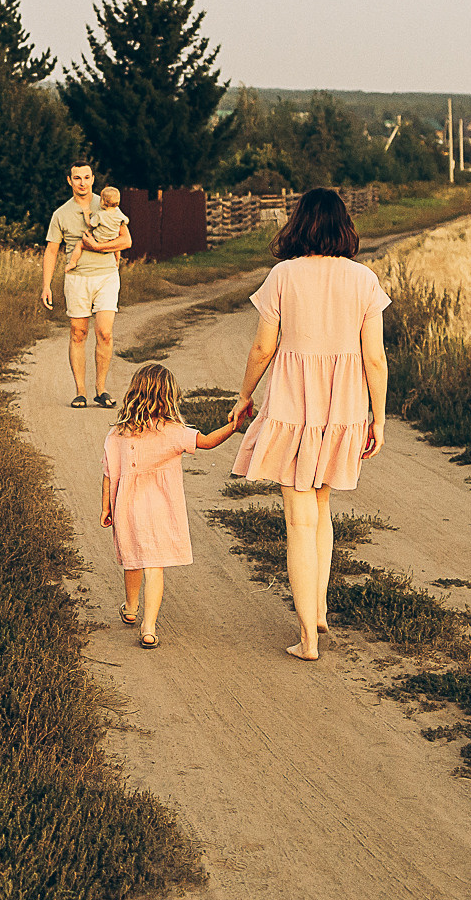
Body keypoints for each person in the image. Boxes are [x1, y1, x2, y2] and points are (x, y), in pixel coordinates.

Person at [228, 188, 389, 662]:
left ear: (299, 223)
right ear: (344, 226)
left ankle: (308, 639)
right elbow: (375, 359)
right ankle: (317, 610)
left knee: (299, 520)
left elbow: (263, 348)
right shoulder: (364, 279)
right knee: (322, 508)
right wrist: (378, 417)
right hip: (343, 410)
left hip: (292, 407)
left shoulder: (283, 275)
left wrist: (244, 394)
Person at [101, 362, 246, 648]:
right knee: (154, 567)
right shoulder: (173, 431)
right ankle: (149, 628)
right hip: (161, 510)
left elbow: (108, 472)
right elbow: (207, 442)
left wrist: (106, 506)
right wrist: (233, 426)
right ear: (169, 398)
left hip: (128, 508)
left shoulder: (118, 433)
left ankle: (130, 607)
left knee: (132, 559)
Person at [41, 163, 132, 407]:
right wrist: (46, 285)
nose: (82, 182)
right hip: (77, 279)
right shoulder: (61, 213)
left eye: (87, 177)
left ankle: (101, 389)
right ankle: (80, 392)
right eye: (77, 178)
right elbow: (51, 251)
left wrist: (99, 247)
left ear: (93, 179)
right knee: (78, 333)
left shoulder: (107, 203)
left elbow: (126, 240)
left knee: (105, 332)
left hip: (106, 277)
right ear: (69, 181)